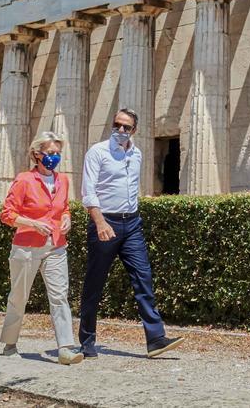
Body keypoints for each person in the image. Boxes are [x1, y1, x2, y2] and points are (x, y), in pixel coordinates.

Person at [77, 108, 184, 358]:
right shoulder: (97, 152)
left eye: (126, 127)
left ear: (134, 130)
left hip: (132, 223)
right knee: (95, 283)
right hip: (105, 222)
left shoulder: (136, 154)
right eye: (117, 125)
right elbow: (88, 192)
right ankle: (87, 341)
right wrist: (100, 222)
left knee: (143, 277)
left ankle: (155, 339)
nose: (120, 130)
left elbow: (132, 187)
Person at [0, 131, 83, 365]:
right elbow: (7, 214)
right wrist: (33, 223)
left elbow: (64, 208)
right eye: (50, 152)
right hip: (26, 246)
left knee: (59, 297)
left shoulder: (63, 180)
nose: (55, 157)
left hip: (56, 245)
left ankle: (65, 348)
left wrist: (67, 218)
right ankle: (10, 344)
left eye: (58, 153)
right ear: (37, 154)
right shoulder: (24, 180)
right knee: (19, 297)